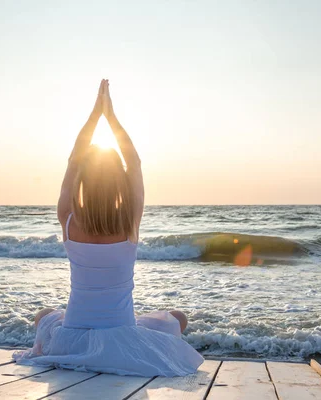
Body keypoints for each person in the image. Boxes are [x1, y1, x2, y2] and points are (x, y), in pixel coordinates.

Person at [13, 79, 203, 377]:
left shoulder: (69, 220)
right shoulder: (130, 222)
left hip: (71, 336)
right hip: (123, 334)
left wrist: (95, 115)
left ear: (82, 181)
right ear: (120, 183)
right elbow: (135, 162)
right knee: (177, 318)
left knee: (43, 317)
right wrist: (111, 116)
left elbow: (73, 160)